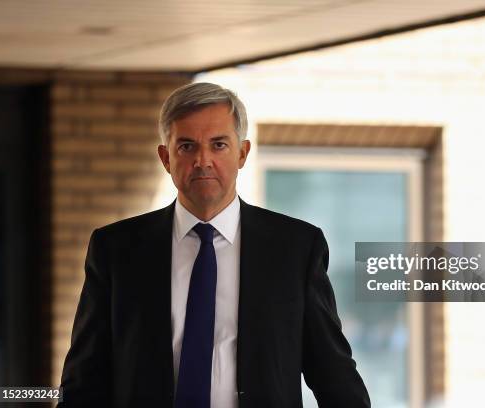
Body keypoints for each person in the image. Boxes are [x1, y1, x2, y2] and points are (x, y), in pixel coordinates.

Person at [58, 82, 370, 408]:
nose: (202, 160)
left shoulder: (295, 249)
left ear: (243, 153)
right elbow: (85, 380)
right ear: (166, 157)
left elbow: (334, 376)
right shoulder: (117, 249)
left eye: (218, 145)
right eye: (187, 146)